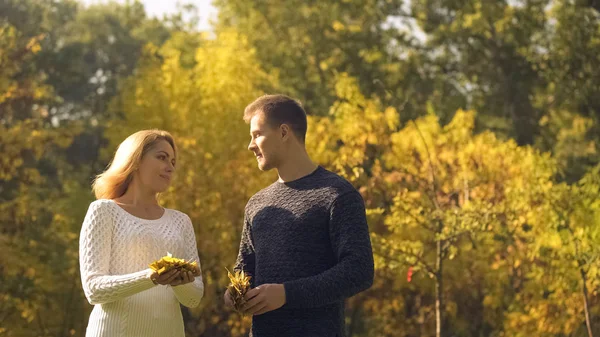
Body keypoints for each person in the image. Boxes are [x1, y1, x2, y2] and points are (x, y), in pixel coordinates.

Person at [225, 95, 374, 337]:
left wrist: (286, 294)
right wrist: (234, 294)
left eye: (257, 135)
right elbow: (244, 269)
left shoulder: (338, 194)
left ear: (284, 132)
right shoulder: (257, 204)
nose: (250, 145)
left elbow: (359, 271)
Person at [79, 129, 203, 337]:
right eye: (162, 157)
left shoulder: (181, 221)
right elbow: (94, 289)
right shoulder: (103, 211)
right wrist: (151, 277)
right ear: (135, 159)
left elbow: (193, 298)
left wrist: (179, 281)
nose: (170, 167)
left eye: (173, 162)